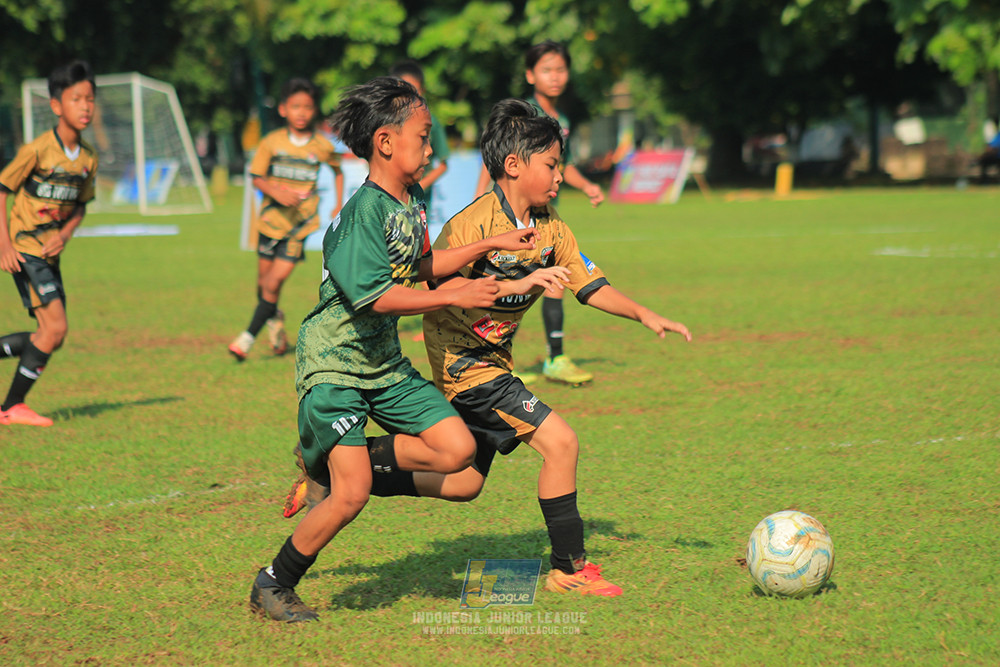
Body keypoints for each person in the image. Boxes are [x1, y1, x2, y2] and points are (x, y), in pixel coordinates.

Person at [286, 98, 692, 597]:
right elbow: (429, 286)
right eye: (551, 165)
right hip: (464, 368)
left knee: (463, 484)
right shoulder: (470, 224)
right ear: (514, 165)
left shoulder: (550, 229)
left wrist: (645, 313)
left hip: (495, 365)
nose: (560, 176)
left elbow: (590, 284)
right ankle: (569, 567)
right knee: (560, 443)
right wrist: (496, 281)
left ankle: (336, 465)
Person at [249, 78, 546, 623]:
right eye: (424, 137)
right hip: (335, 366)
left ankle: (325, 460)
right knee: (352, 492)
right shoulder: (365, 211)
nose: (431, 149)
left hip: (383, 366)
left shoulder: (412, 200)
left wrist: (487, 243)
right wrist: (458, 292)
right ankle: (273, 582)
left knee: (457, 453)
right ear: (386, 142)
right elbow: (375, 297)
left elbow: (422, 267)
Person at [476, 40, 604, 386]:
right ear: (531, 74)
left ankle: (555, 358)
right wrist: (478, 201)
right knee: (503, 286)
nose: (555, 76)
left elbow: (567, 165)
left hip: (545, 218)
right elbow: (494, 158)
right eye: (547, 69)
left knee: (555, 280)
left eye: (561, 69)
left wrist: (587, 185)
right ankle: (492, 361)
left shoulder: (561, 120)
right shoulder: (523, 115)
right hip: (512, 215)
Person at [0, 60, 98, 427]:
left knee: (50, 335)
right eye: (76, 99)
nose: (85, 106)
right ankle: (11, 407)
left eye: (90, 99)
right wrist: (4, 245)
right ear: (57, 105)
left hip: (48, 253)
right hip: (24, 247)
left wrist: (65, 234)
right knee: (55, 328)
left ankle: (10, 406)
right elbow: (2, 189)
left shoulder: (88, 158)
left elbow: (81, 206)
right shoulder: (38, 150)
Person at [228, 78, 344, 361]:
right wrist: (277, 193)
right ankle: (275, 320)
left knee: (274, 283)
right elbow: (256, 177)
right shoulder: (272, 142)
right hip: (270, 223)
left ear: (314, 110)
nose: (301, 112)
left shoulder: (321, 145)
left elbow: (338, 171)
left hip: (298, 227)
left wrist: (338, 204)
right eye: (295, 106)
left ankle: (246, 339)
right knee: (263, 284)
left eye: (307, 107)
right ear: (283, 110)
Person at [388, 59, 450, 243]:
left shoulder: (432, 122)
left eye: (413, 90)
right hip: (390, 192)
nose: (408, 96)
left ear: (421, 91)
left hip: (419, 198)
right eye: (403, 90)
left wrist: (420, 186)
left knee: (416, 242)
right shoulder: (384, 121)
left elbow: (443, 164)